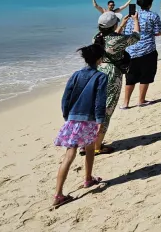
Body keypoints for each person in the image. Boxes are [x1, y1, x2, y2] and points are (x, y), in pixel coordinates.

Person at [53, 43, 108, 209]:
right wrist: (100, 120)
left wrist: (66, 116)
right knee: (86, 149)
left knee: (73, 153)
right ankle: (82, 181)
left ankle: (66, 189)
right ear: (100, 59)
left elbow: (66, 98)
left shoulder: (76, 74)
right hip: (89, 119)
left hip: (73, 118)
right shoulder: (101, 77)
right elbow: (100, 102)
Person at [91, 10, 140, 154]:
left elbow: (111, 37)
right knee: (106, 110)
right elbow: (136, 37)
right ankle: (97, 147)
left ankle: (89, 140)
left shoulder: (97, 38)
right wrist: (135, 20)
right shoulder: (117, 40)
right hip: (112, 74)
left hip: (98, 71)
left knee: (95, 108)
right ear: (113, 26)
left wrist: (122, 24)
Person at [121, 0, 161, 109]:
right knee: (146, 75)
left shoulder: (130, 16)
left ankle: (125, 103)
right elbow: (158, 32)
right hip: (147, 50)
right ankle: (141, 100)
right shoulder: (153, 16)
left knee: (130, 78)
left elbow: (126, 32)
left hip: (131, 50)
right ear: (150, 4)